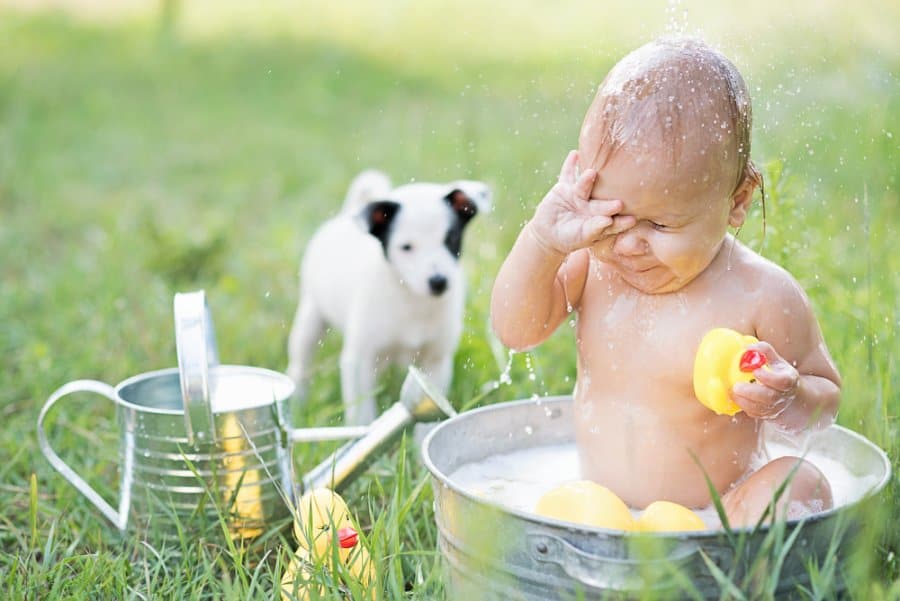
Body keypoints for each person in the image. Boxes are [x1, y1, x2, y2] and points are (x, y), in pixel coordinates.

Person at [490, 37, 840, 527]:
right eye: (613, 216)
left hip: (717, 519)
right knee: (563, 513)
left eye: (659, 226)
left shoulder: (761, 294)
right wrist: (543, 242)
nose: (629, 244)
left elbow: (825, 406)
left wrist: (791, 397)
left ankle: (737, 570)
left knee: (801, 485)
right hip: (599, 512)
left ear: (737, 201)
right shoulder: (592, 266)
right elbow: (514, 328)